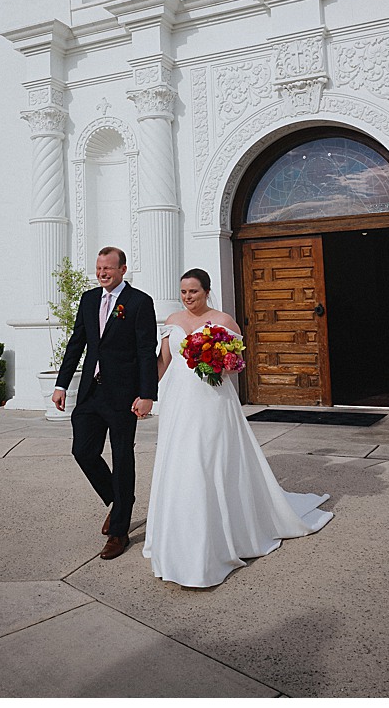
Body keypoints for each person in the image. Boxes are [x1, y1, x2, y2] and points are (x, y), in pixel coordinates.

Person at [143, 268, 333, 588]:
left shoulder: (225, 321)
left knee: (209, 463)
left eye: (194, 292)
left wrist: (219, 359)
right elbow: (163, 362)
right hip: (178, 404)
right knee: (181, 465)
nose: (188, 298)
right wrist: (145, 393)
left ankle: (218, 540)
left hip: (212, 403)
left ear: (207, 291)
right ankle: (178, 539)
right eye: (184, 292)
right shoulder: (172, 321)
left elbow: (238, 366)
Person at [51, 246, 157, 560]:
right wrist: (61, 384)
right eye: (99, 269)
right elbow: (76, 344)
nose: (102, 274)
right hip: (90, 393)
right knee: (82, 450)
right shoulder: (88, 300)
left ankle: (119, 531)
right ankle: (119, 500)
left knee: (123, 457)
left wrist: (147, 394)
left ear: (123, 269)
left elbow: (145, 351)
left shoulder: (139, 302)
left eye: (108, 269)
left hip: (124, 396)